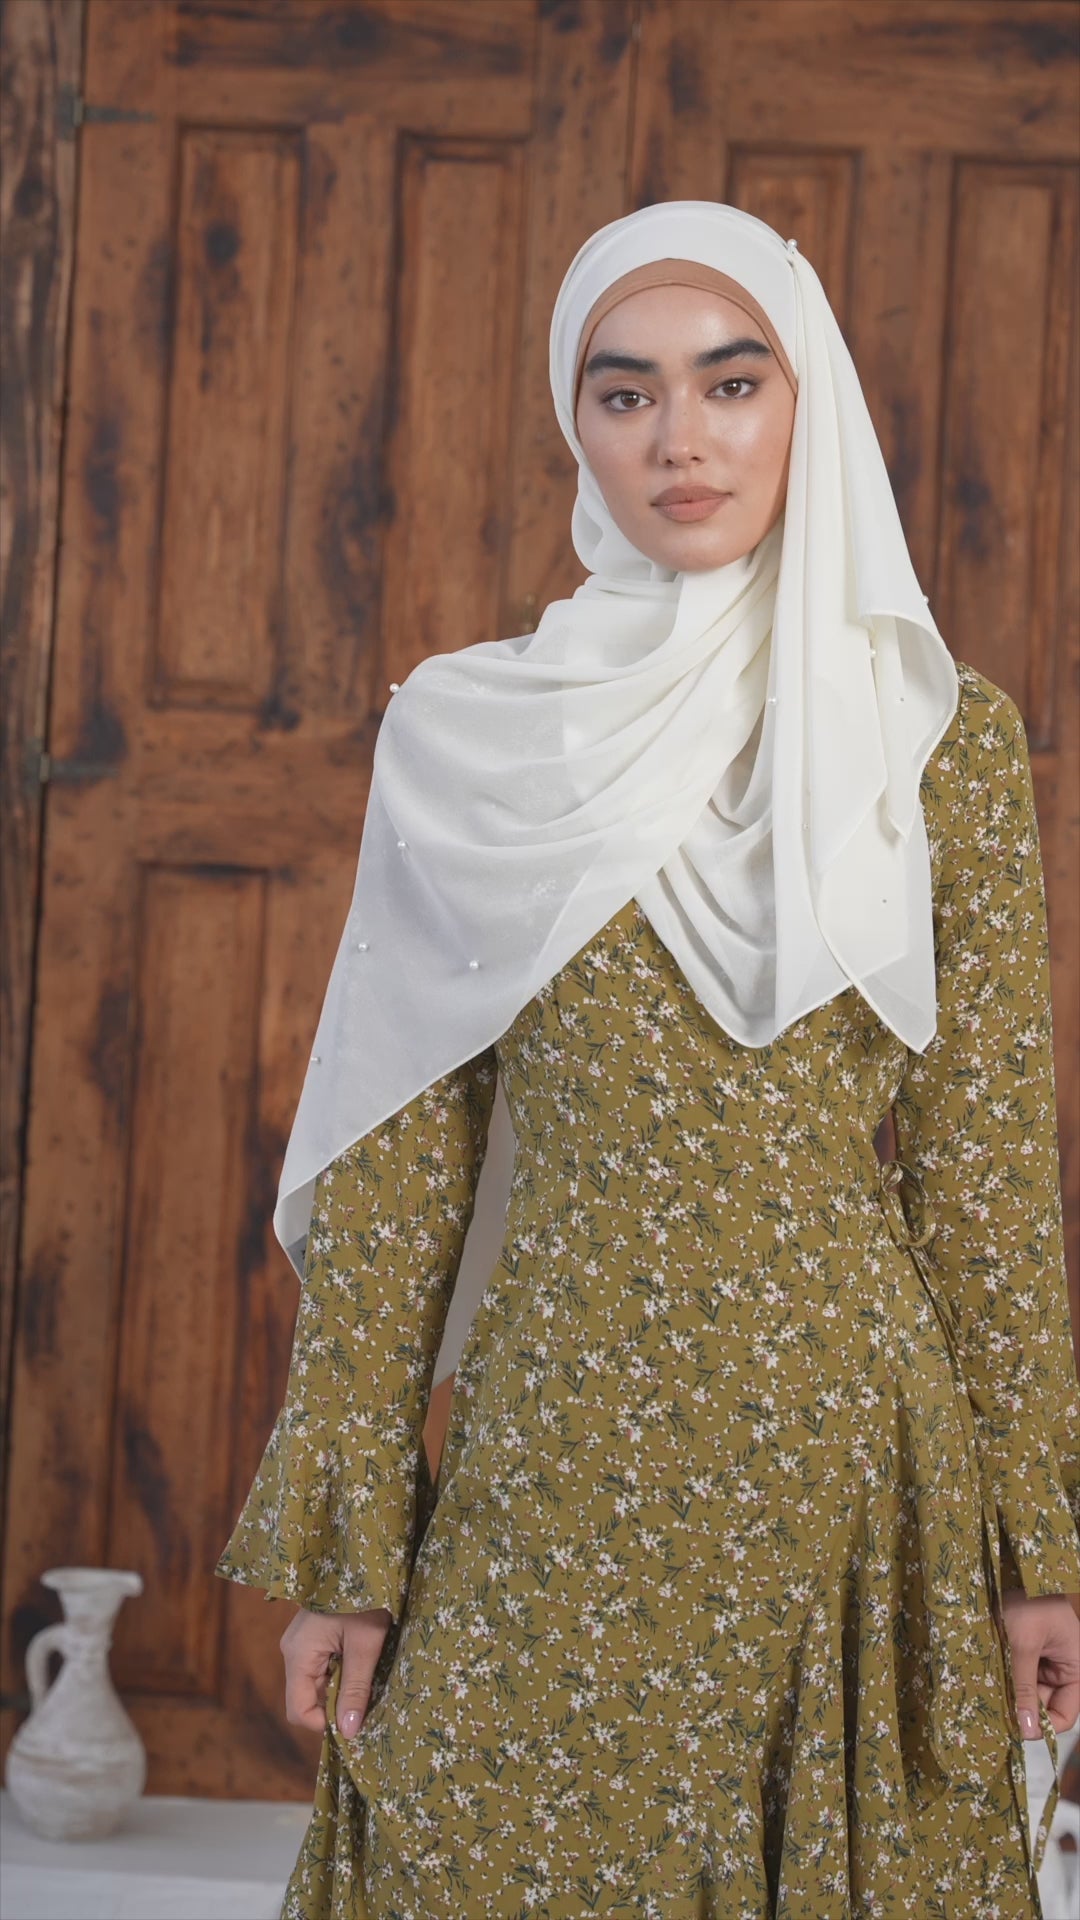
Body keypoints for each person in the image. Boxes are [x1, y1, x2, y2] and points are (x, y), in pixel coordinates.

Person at [215, 201, 1080, 1919]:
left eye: (731, 383)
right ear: (578, 424)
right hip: (562, 1444)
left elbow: (986, 1174)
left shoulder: (935, 739)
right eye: (627, 394)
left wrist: (1035, 1551)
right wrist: (350, 1563)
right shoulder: (474, 738)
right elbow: (399, 1175)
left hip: (852, 1465)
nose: (681, 438)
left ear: (806, 402)